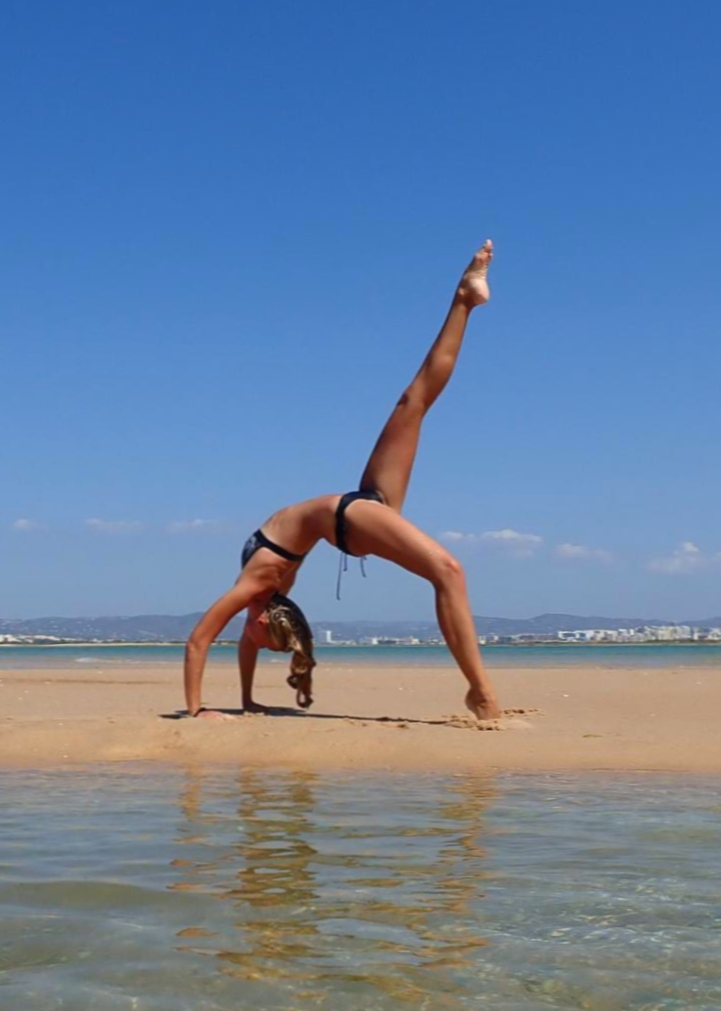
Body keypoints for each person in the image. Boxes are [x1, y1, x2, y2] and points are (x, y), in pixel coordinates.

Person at [184, 240, 502, 722]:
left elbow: (198, 641)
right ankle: (463, 299)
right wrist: (250, 698)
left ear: (264, 620)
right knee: (412, 404)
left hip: (347, 519)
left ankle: (480, 693)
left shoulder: (256, 588)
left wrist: (197, 711)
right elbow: (245, 645)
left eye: (266, 644)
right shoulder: (262, 597)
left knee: (448, 571)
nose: (254, 646)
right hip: (354, 513)